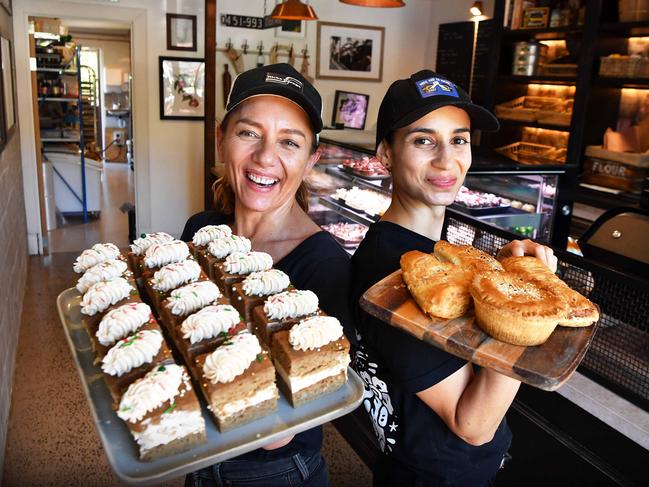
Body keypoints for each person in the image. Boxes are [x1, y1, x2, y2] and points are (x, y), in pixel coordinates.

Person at [350, 70, 558, 487]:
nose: (447, 160)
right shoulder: (392, 271)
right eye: (423, 140)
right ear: (386, 154)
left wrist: (500, 277)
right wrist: (523, 307)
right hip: (433, 475)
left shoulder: (427, 249)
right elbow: (473, 424)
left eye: (458, 139)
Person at [181, 63, 352, 487]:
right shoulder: (201, 230)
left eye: (289, 142)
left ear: (312, 159)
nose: (264, 157)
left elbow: (280, 432)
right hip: (198, 457)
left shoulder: (324, 266)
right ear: (221, 139)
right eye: (248, 133)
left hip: (273, 473)